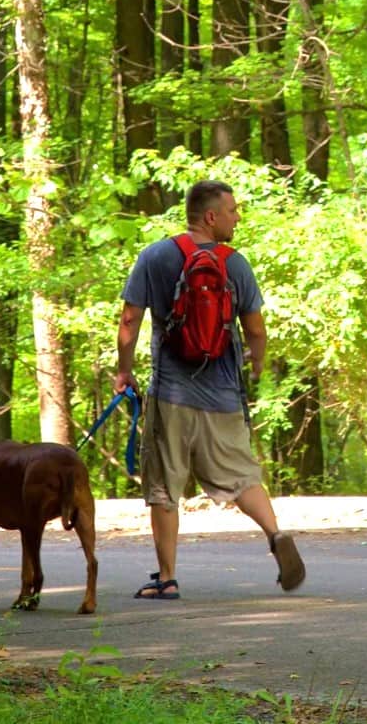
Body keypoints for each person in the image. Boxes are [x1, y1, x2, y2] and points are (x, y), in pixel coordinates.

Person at [114, 178, 305, 600]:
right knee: (241, 475)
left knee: (164, 485)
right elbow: (255, 328)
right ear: (211, 216)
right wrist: (255, 365)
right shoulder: (235, 264)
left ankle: (166, 578)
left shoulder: (156, 256)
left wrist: (124, 371)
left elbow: (130, 321)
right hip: (222, 395)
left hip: (171, 396)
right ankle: (275, 534)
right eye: (233, 211)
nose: (238, 218)